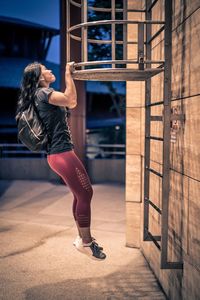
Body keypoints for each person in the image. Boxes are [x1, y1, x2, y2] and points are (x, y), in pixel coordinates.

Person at [16, 62, 106, 260]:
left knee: (79, 194)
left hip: (59, 154)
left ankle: (82, 238)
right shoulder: (42, 93)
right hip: (61, 154)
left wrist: (68, 79)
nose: (49, 70)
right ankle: (86, 242)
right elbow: (71, 98)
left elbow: (71, 103)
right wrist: (68, 74)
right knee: (85, 194)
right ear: (40, 77)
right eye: (45, 69)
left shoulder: (44, 95)